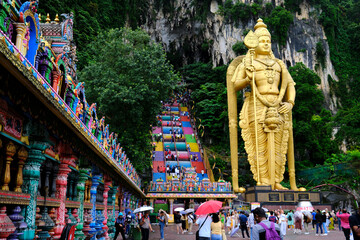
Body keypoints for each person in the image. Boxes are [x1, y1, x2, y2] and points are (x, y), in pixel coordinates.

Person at [227, 18, 297, 190]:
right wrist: (247, 78)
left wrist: (290, 102)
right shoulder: (248, 63)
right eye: (262, 41)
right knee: (260, 144)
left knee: (279, 144)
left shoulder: (279, 64)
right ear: (254, 44)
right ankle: (263, 180)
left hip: (278, 104)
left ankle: (277, 180)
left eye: (268, 41)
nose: (266, 44)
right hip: (256, 104)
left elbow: (290, 86)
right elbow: (234, 85)